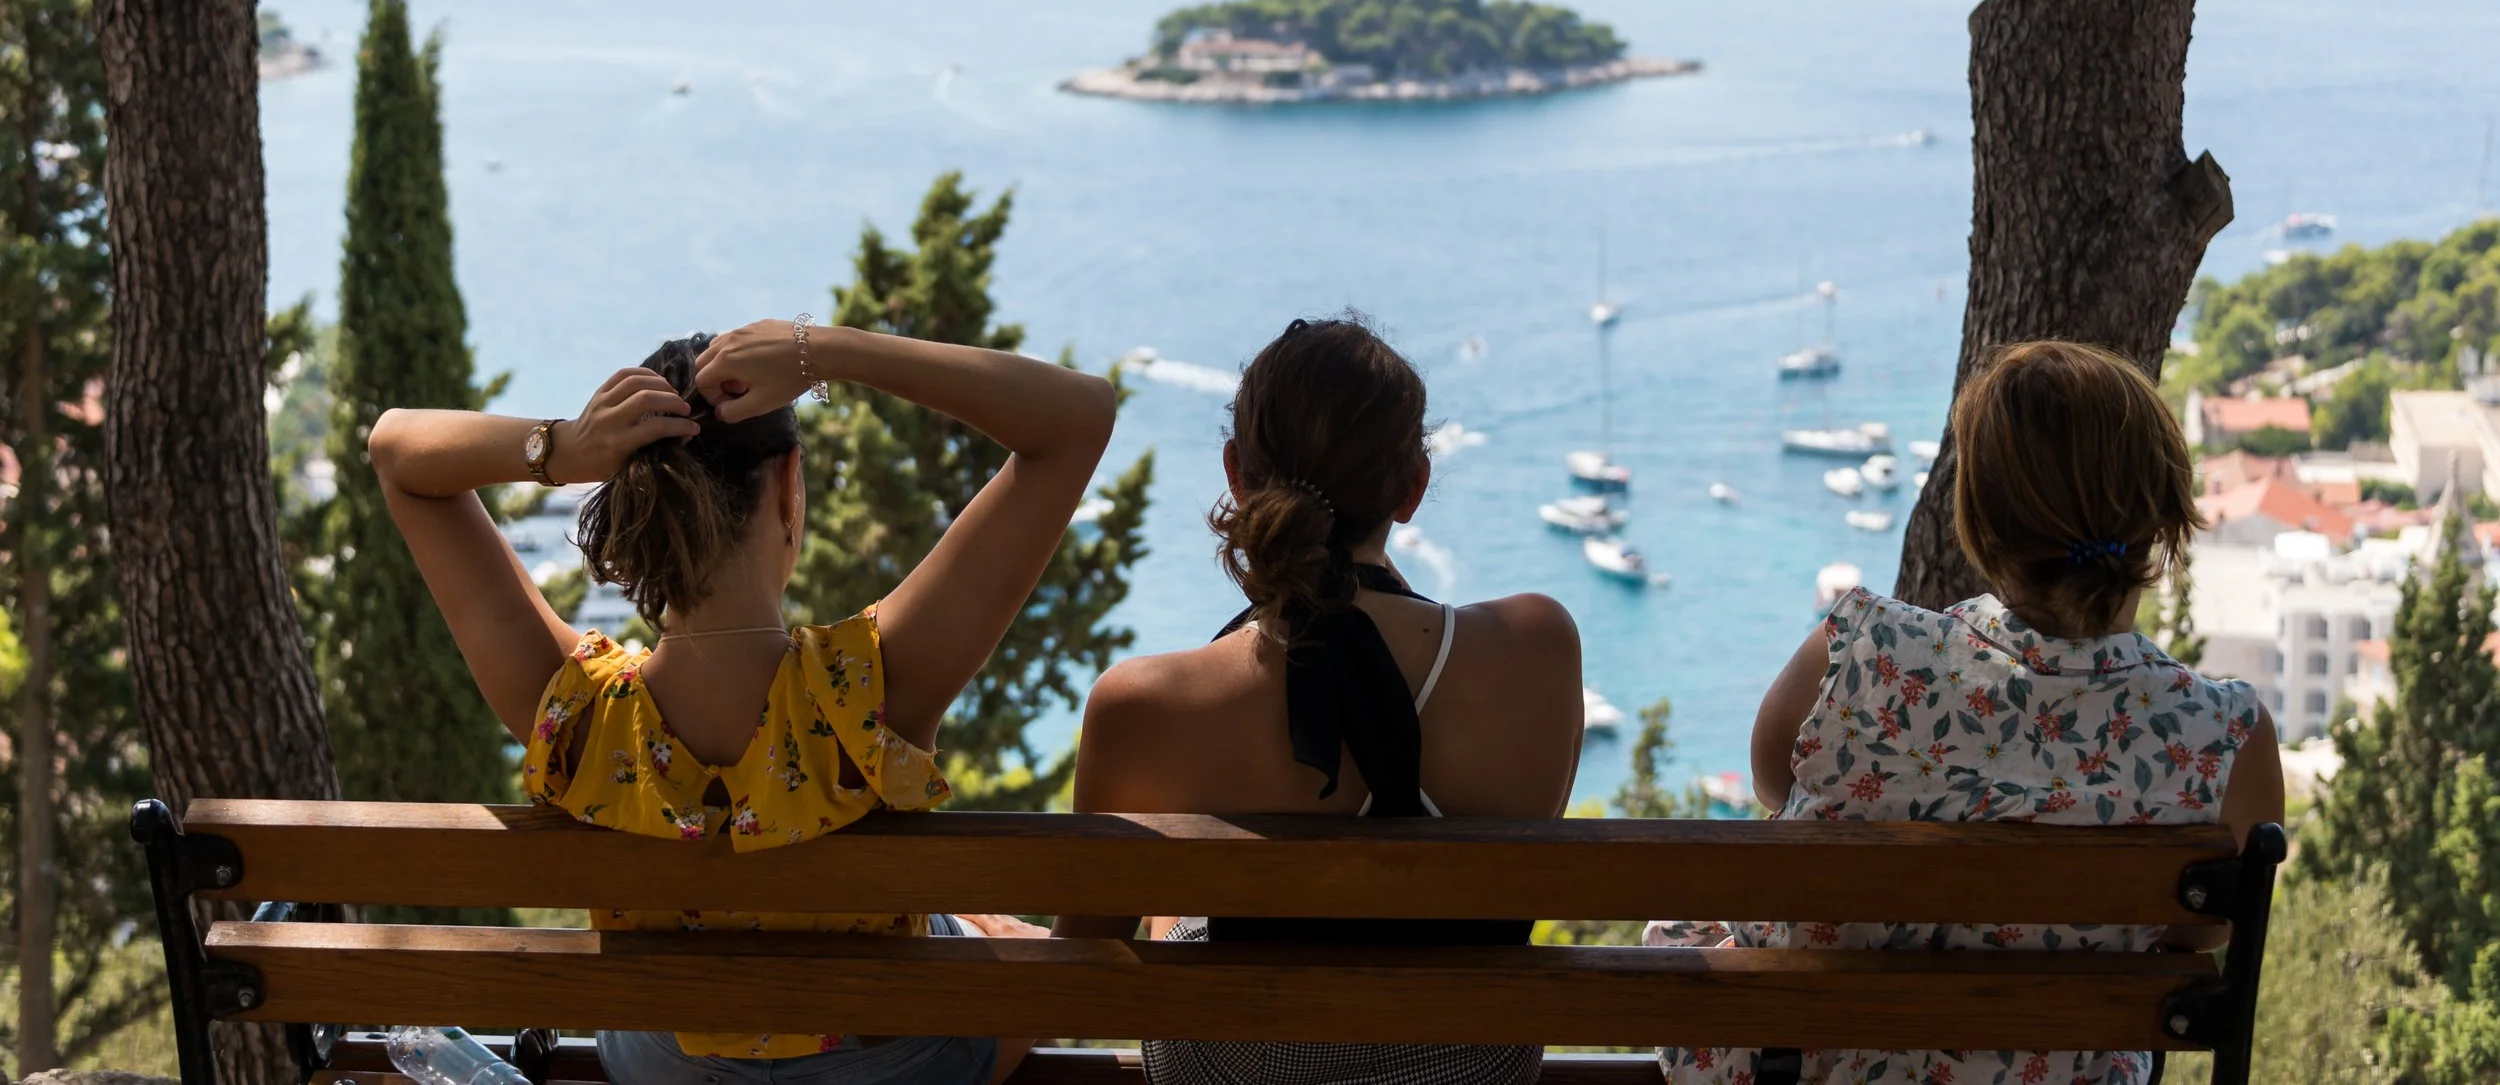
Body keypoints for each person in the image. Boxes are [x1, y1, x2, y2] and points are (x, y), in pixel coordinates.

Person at [368, 318, 1117, 1085]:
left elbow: (396, 449)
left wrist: (561, 447)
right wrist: (826, 351)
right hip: (891, 1063)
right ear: (789, 486)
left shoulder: (575, 711)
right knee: (1015, 946)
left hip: (666, 1067)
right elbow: (1078, 417)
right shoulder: (871, 686)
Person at [1647, 339, 2285, 1085]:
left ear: (1979, 521)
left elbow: (1768, 779)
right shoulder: (2223, 736)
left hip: (1809, 1066)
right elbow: (2203, 929)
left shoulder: (1858, 647)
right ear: (2162, 520)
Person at [1056, 315, 1584, 1085]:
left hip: (1237, 1067)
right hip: (1471, 1059)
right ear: (1413, 487)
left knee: (1176, 913)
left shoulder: (1143, 705)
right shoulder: (1539, 645)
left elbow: (1082, 958)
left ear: (1236, 472)